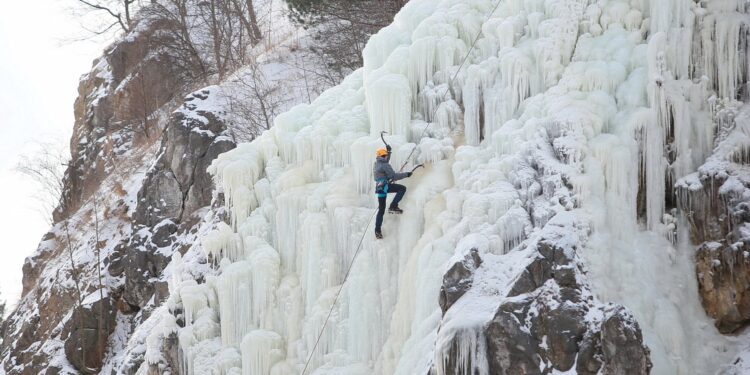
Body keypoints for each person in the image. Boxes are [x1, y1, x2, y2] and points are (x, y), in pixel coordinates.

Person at [373, 145, 412, 239]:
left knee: (381, 210)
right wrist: (406, 174)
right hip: (385, 186)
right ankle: (393, 206)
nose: (387, 156)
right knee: (402, 188)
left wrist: (389, 152)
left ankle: (377, 231)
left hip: (380, 187)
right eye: (386, 155)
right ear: (383, 156)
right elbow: (394, 176)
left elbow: (385, 163)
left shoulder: (377, 163)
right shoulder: (384, 165)